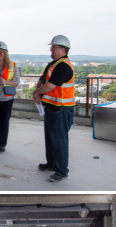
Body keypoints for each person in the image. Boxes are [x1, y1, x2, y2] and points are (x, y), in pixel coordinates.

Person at [34, 36, 76, 183]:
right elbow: (43, 79)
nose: (51, 49)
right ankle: (52, 164)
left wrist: (37, 92)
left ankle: (62, 171)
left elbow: (51, 85)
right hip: (53, 108)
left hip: (62, 109)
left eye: (53, 47)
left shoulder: (63, 66)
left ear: (62, 49)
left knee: (60, 141)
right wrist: (38, 89)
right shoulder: (54, 64)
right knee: (51, 139)